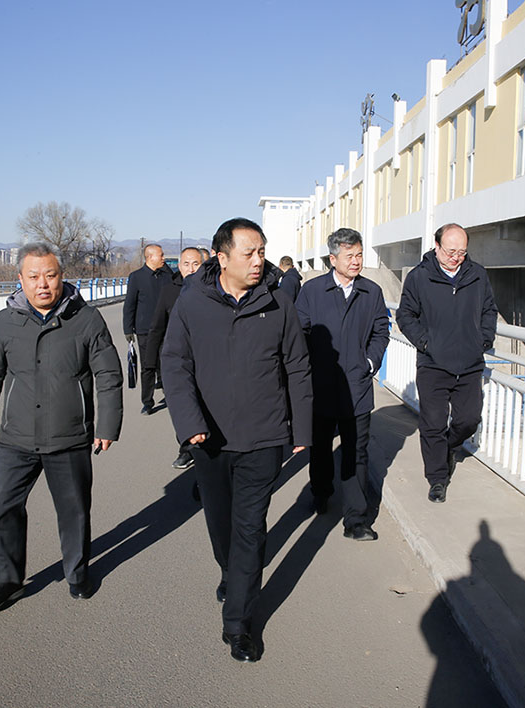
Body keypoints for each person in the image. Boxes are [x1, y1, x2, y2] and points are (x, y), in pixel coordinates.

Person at [161, 217, 312, 663]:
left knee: (250, 529)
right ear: (222, 258)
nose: (258, 260)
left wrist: (301, 429)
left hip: (264, 437)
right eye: (249, 253)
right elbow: (175, 363)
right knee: (221, 525)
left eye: (262, 251)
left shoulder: (279, 302)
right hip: (209, 439)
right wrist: (189, 423)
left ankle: (239, 624)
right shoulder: (193, 302)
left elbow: (298, 366)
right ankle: (229, 572)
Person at [0, 243, 123, 613]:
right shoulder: (6, 322)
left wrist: (107, 425)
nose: (43, 284)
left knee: (74, 511)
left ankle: (77, 573)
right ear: (20, 280)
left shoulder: (86, 319)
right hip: (16, 436)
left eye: (50, 275)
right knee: (0, 502)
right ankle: (5, 580)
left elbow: (108, 374)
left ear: (61, 276)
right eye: (34, 276)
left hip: (69, 435)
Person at [295, 228, 388, 540]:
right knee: (321, 448)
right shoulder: (312, 291)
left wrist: (370, 362)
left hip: (356, 387)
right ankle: (321, 492)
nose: (356, 261)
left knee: (356, 453)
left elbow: (381, 331)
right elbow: (299, 333)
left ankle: (356, 520)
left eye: (359, 254)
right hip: (320, 386)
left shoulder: (371, 292)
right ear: (333, 259)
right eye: (349, 256)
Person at [396, 223, 497, 503]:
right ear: (437, 246)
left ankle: (449, 447)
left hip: (469, 363)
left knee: (469, 420)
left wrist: (483, 340)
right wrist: (426, 343)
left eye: (462, 252)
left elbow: (489, 310)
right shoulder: (419, 277)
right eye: (451, 251)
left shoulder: (477, 275)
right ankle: (437, 478)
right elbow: (405, 315)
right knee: (433, 424)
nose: (456, 257)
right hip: (433, 363)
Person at [147, 247, 203, 471]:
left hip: (206, 362)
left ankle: (204, 458)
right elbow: (157, 328)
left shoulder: (213, 290)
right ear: (179, 266)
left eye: (196, 264)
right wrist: (149, 362)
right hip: (179, 362)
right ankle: (186, 449)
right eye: (186, 264)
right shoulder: (169, 291)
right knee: (184, 406)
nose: (191, 269)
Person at [123, 244, 173, 415]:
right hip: (145, 330)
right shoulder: (136, 277)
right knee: (147, 366)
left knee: (166, 363)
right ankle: (147, 402)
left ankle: (171, 395)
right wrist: (128, 329)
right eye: (161, 255)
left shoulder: (167, 276)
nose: (164, 258)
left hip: (165, 328)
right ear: (150, 257)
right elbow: (130, 304)